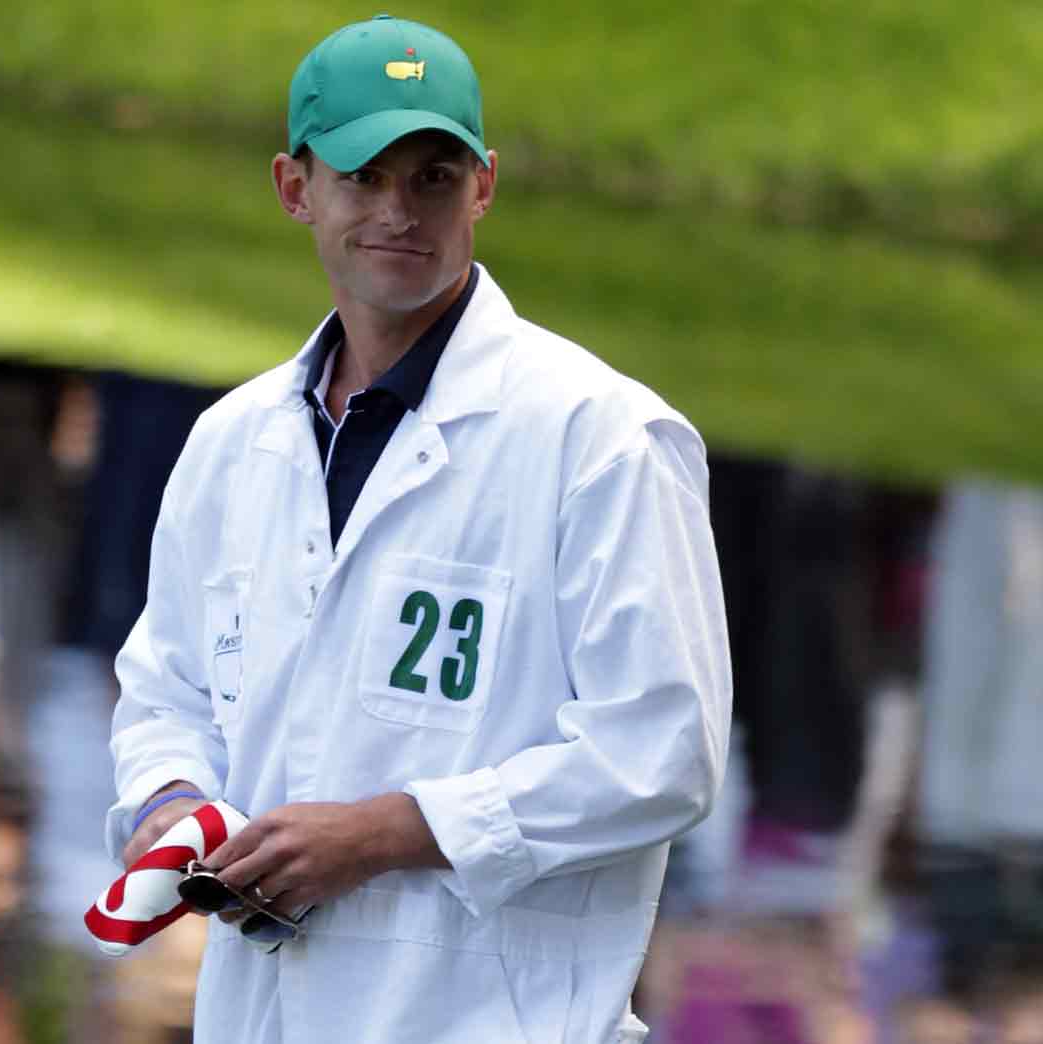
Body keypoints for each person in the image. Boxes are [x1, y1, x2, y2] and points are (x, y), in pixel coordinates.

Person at [103, 16, 732, 1043]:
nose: (398, 211)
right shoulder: (230, 443)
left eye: (432, 176)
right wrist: (169, 805)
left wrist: (386, 833)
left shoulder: (601, 438)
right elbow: (166, 686)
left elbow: (661, 751)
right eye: (360, 174)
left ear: (483, 185)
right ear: (292, 188)